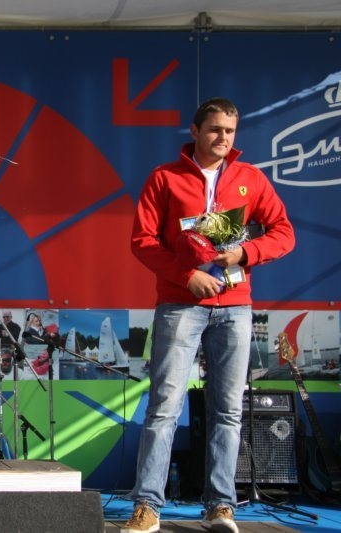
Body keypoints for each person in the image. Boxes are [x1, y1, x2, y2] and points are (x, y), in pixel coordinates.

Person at [122, 98, 294, 533]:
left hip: (235, 306)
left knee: (228, 410)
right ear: (195, 131)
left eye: (229, 131)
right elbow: (143, 241)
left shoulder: (251, 178)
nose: (223, 138)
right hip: (181, 304)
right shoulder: (165, 177)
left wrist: (245, 252)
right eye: (215, 129)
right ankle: (147, 506)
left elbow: (284, 233)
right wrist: (187, 275)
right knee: (164, 407)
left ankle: (220, 506)